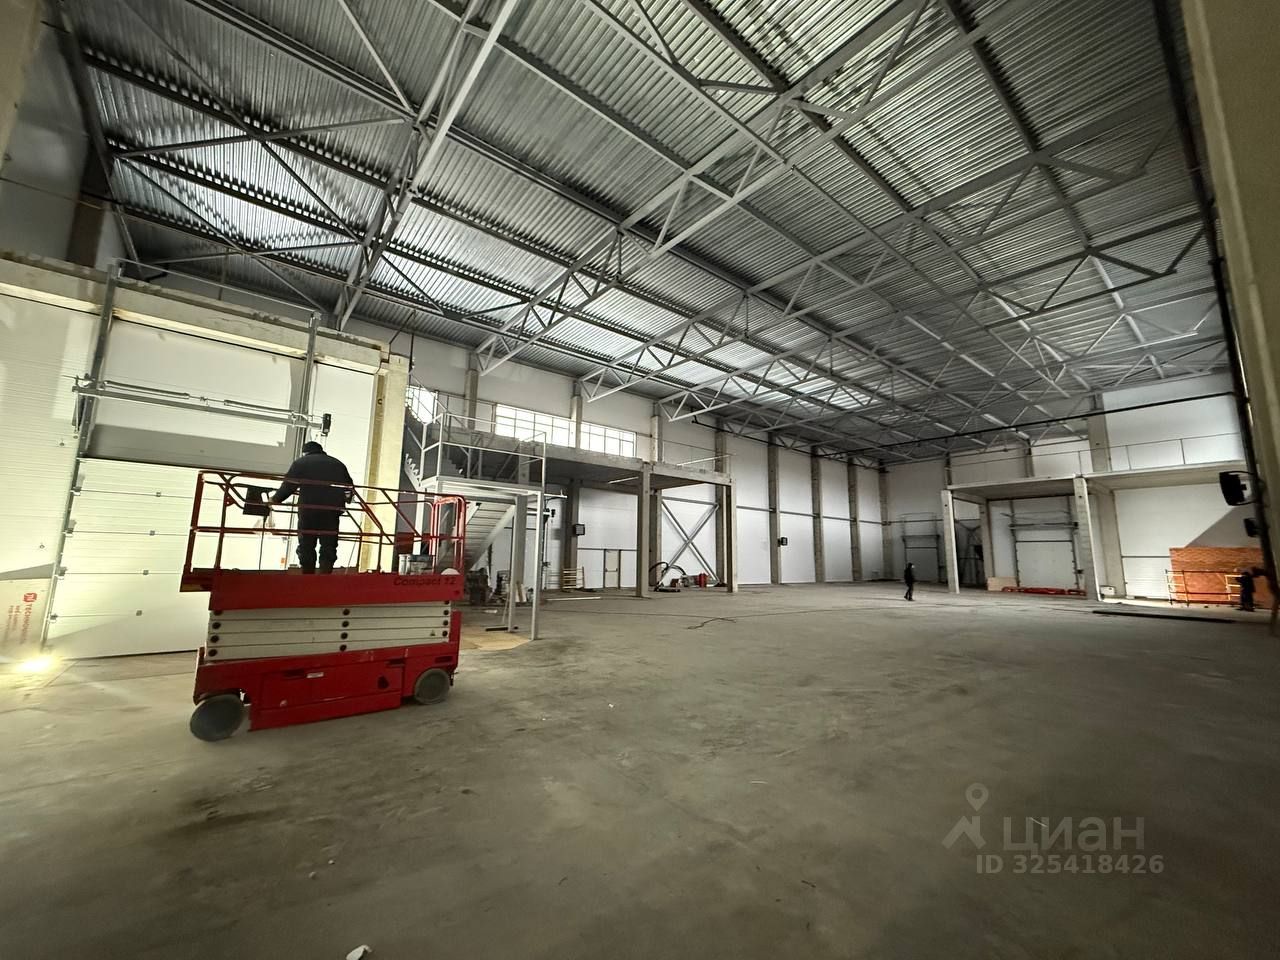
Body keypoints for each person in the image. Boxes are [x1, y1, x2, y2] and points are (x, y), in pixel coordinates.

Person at [271, 441, 354, 574]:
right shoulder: (337, 463)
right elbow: (348, 487)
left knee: (307, 542)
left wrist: (275, 500)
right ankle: (325, 572)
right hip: (331, 511)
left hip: (309, 509)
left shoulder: (301, 463)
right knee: (329, 543)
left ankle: (308, 573)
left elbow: (289, 485)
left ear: (305, 452)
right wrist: (346, 500)